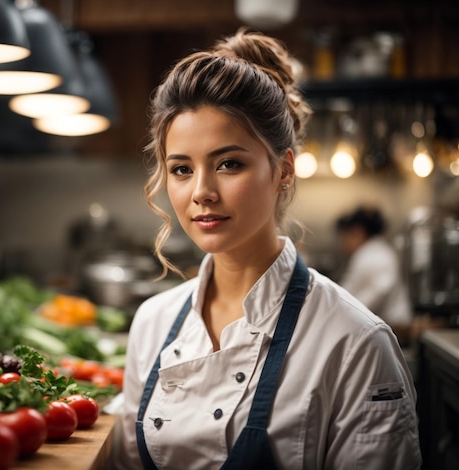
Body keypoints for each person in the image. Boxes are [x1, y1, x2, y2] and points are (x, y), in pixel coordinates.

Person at [111, 28, 421, 469]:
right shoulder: (153, 324)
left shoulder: (354, 343)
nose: (201, 192)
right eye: (181, 169)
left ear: (283, 170)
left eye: (229, 164)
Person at [335, 206, 414, 345]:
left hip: (392, 332)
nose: (342, 243)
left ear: (357, 233)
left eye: (344, 236)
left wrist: (344, 315)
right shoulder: (371, 252)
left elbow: (379, 291)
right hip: (381, 331)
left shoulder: (374, 255)